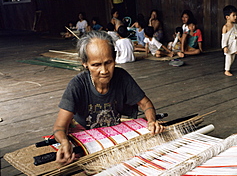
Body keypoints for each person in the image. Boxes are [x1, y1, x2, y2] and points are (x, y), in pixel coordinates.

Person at [53, 31, 164, 164]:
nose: (104, 71)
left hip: (113, 135)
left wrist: (151, 121)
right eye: (96, 65)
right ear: (85, 63)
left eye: (108, 62)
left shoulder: (121, 77)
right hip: (85, 139)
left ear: (115, 58)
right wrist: (65, 142)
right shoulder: (78, 85)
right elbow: (59, 126)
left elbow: (146, 104)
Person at [221, 5, 237, 76]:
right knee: (228, 58)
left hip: (234, 45)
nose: (235, 17)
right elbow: (224, 38)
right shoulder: (225, 27)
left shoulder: (235, 26)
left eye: (236, 15)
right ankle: (226, 70)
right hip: (228, 46)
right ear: (227, 17)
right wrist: (225, 47)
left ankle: (228, 68)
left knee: (232, 58)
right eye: (233, 15)